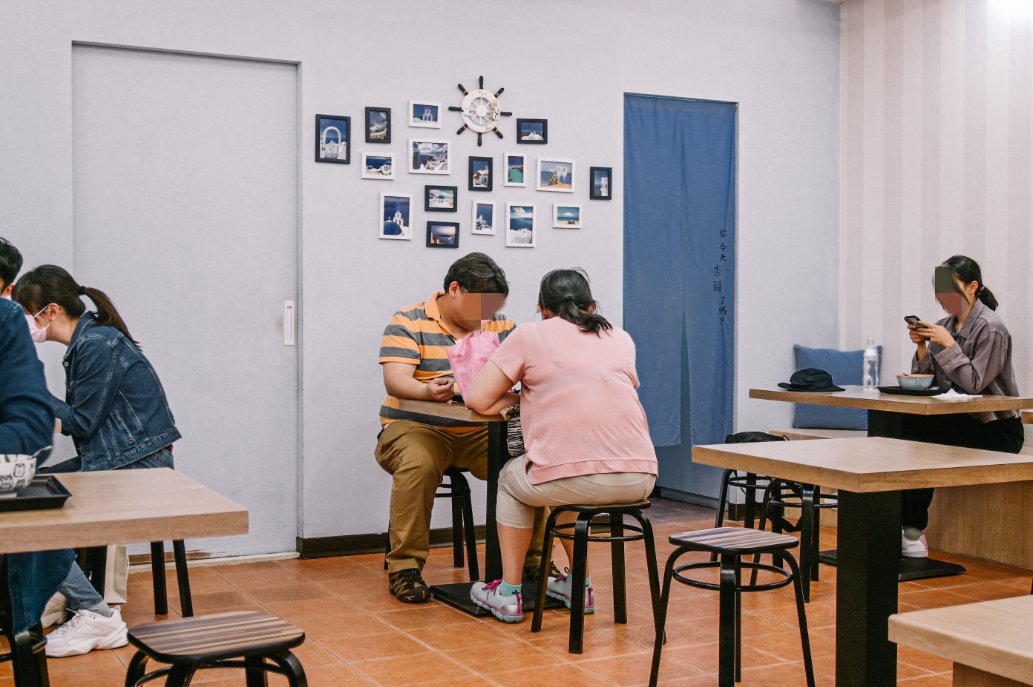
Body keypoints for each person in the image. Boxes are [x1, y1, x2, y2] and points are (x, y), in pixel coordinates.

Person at [464, 268, 657, 623]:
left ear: (542, 309)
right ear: (592, 305)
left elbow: (477, 397)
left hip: (577, 477)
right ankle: (578, 585)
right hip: (642, 475)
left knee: (511, 480)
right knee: (568, 478)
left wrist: (516, 402)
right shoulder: (620, 337)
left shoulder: (529, 335)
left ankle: (507, 592)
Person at [12, 264, 181, 656]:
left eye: (25, 312)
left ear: (51, 311)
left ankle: (96, 612)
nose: (23, 323)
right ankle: (64, 593)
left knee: (29, 507)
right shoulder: (86, 343)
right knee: (23, 492)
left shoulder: (97, 345)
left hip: (138, 467)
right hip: (114, 458)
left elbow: (81, 423)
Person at [375, 252, 544, 603]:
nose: (486, 315)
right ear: (454, 289)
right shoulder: (408, 321)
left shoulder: (501, 328)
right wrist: (426, 391)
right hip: (416, 428)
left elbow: (527, 378)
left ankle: (533, 563)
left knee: (533, 464)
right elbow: (395, 380)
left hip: (483, 433)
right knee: (418, 463)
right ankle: (405, 567)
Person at [901, 255, 1023, 558]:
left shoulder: (992, 328)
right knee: (903, 430)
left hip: (998, 430)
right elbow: (930, 383)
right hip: (958, 422)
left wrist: (947, 345)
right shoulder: (943, 326)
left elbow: (973, 383)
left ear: (972, 287)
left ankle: (911, 532)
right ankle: (903, 527)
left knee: (919, 438)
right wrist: (921, 347)